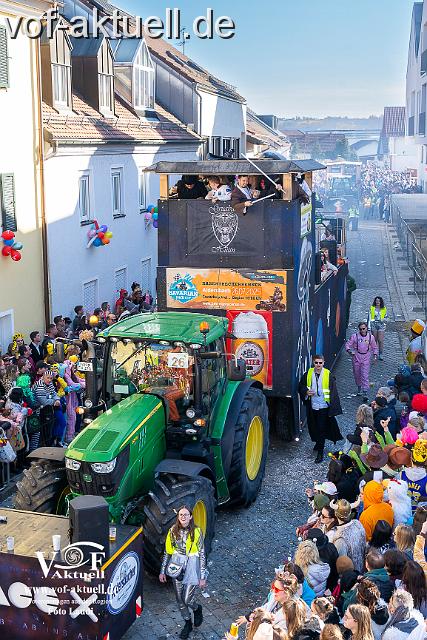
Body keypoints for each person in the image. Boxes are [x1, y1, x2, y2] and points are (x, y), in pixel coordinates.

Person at [159, 505, 206, 639]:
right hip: (177, 565)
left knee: (187, 599)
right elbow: (167, 552)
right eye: (181, 515)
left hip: (192, 566)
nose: (183, 517)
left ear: (190, 517)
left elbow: (202, 554)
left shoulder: (197, 532)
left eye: (186, 514)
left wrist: (202, 577)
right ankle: (187, 624)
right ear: (178, 517)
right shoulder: (172, 531)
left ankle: (197, 609)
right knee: (179, 599)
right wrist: (162, 571)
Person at [298, 355, 343, 464]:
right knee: (314, 427)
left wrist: (333, 407)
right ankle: (318, 443)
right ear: (313, 363)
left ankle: (320, 452)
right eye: (316, 363)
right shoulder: (308, 374)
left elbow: (333, 391)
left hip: (324, 407)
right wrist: (306, 392)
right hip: (313, 406)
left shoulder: (328, 375)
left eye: (320, 363)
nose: (318, 365)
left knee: (321, 428)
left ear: (323, 363)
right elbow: (301, 385)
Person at [328, 499, 366, 572]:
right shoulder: (358, 523)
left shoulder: (340, 538)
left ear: (336, 514)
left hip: (350, 576)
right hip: (361, 567)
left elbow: (342, 563)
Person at [345, 322, 378, 399]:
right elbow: (347, 344)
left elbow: (375, 347)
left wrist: (375, 356)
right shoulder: (355, 336)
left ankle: (365, 392)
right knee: (357, 374)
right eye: (360, 329)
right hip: (356, 357)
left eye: (363, 328)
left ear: (366, 328)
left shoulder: (371, 337)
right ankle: (359, 388)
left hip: (366, 358)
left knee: (365, 375)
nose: (362, 330)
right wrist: (349, 351)